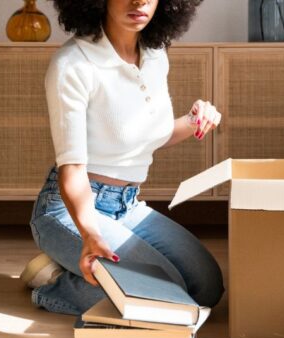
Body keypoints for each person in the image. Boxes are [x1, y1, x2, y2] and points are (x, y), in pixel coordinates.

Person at [23, 0, 224, 316]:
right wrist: (90, 235)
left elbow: (145, 137)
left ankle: (80, 271)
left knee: (208, 288)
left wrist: (196, 119)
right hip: (70, 210)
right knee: (170, 295)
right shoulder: (73, 65)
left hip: (127, 207)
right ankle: (54, 283)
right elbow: (72, 169)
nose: (140, 0)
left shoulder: (155, 55)